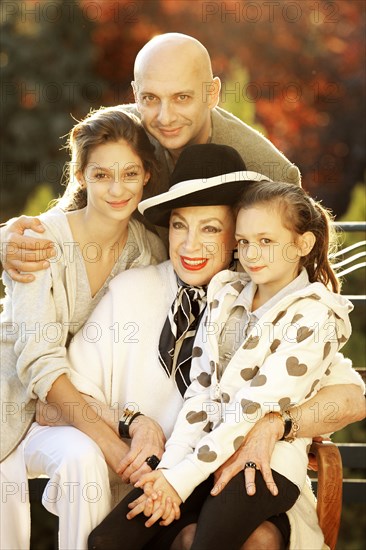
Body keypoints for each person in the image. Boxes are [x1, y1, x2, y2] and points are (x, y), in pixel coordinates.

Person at [50, 144, 363, 550]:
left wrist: (277, 424)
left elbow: (352, 399)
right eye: (180, 226)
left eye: (212, 229)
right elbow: (57, 399)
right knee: (122, 539)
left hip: (252, 472)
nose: (190, 245)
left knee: (252, 539)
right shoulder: (151, 292)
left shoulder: (294, 301)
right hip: (173, 470)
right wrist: (133, 424)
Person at [1, 32, 301, 282]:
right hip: (130, 299)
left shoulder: (266, 169)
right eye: (150, 99)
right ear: (135, 93)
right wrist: (11, 241)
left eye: (182, 98)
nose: (165, 117)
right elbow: (70, 214)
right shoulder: (118, 138)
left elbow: (299, 267)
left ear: (212, 93)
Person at [0, 106, 167, 550]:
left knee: (83, 458)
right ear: (79, 174)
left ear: (147, 175)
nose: (117, 189)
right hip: (12, 403)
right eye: (101, 175)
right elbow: (39, 365)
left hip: (76, 414)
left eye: (130, 173)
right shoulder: (38, 244)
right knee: (93, 453)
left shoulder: (148, 250)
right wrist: (115, 444)